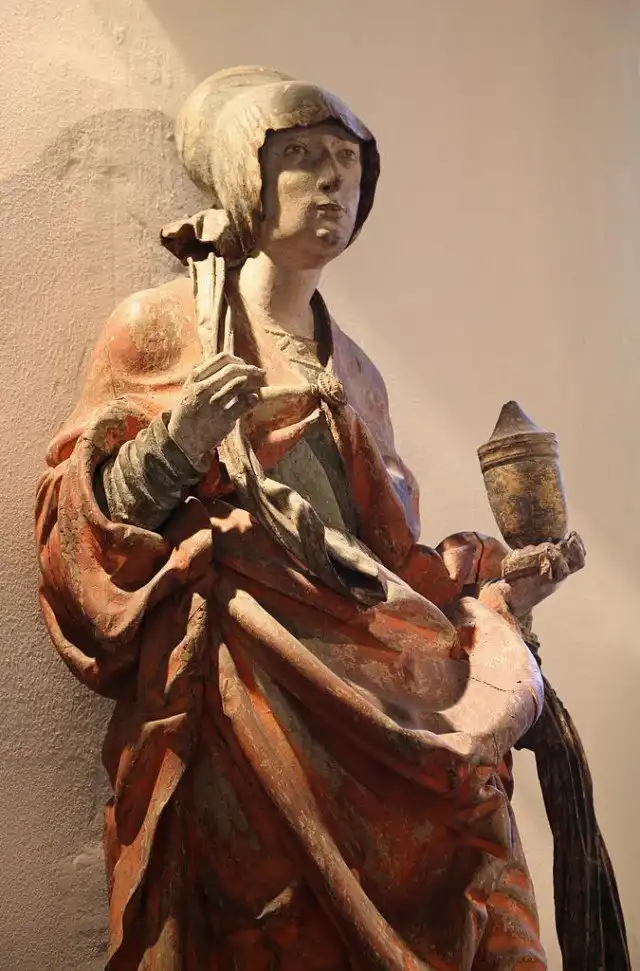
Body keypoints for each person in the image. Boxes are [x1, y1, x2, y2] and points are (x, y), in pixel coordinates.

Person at [36, 66, 584, 971]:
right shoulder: (161, 329)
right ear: (245, 176)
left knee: (470, 840)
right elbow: (81, 530)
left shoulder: (357, 372)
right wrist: (177, 442)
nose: (333, 182)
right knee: (264, 928)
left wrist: (495, 589)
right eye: (301, 156)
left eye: (348, 161)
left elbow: (384, 562)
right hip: (245, 692)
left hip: (370, 689)